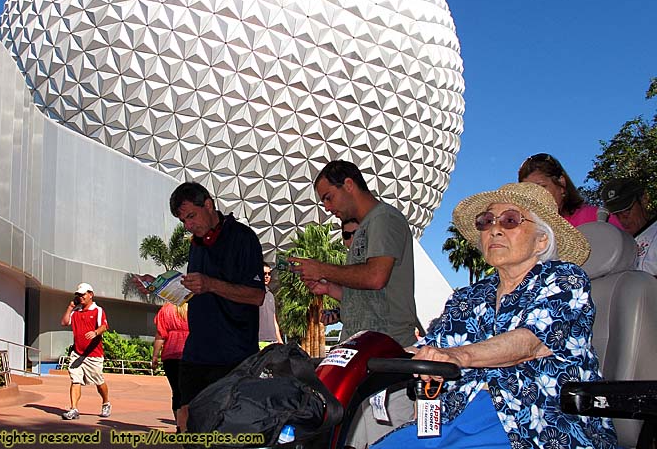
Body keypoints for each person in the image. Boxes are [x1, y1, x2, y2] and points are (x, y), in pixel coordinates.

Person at [372, 182, 618, 449]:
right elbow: (428, 348)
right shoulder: (466, 298)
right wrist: (367, 358)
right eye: (486, 221)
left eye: (510, 220)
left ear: (541, 240)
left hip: (534, 423)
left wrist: (458, 355)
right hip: (455, 416)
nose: (495, 229)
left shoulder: (563, 280)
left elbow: (530, 343)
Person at [291, 160, 418, 448]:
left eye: (328, 197)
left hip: (387, 358)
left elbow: (375, 277)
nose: (326, 206)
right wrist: (331, 288)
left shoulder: (384, 219)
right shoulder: (364, 229)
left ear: (349, 184)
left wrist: (322, 268)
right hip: (364, 362)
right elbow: (369, 294)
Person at [140, 182, 265, 431]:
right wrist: (164, 286)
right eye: (183, 221)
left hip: (233, 353)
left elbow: (256, 296)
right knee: (186, 413)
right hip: (197, 349)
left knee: (226, 424)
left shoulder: (242, 238)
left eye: (190, 216)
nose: (188, 226)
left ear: (208, 204)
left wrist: (210, 284)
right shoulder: (196, 244)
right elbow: (194, 291)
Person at [518, 153, 624, 229]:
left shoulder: (596, 217)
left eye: (542, 187)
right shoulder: (526, 230)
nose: (535, 196)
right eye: (528, 192)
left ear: (561, 183)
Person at [60, 282, 111, 420]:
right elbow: (64, 322)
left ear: (90, 295)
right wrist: (70, 307)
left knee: (98, 381)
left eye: (83, 294)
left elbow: (104, 326)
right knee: (75, 380)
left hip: (93, 354)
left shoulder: (97, 310)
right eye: (78, 295)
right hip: (77, 353)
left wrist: (96, 332)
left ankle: (106, 402)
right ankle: (74, 408)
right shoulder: (76, 312)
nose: (80, 297)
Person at [601, 177, 657, 275]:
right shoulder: (619, 246)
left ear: (644, 200)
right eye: (617, 214)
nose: (622, 220)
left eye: (627, 212)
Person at [151, 302, 189, 425]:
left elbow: (160, 335)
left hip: (170, 355)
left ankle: (179, 424)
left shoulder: (166, 310)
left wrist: (155, 356)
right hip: (191, 353)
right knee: (191, 390)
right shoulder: (194, 308)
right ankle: (189, 422)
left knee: (177, 391)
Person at [258, 262, 283, 347]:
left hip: (273, 342)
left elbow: (274, 320)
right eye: (264, 273)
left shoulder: (270, 295)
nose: (267, 276)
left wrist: (280, 341)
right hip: (258, 341)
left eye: (269, 273)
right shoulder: (252, 294)